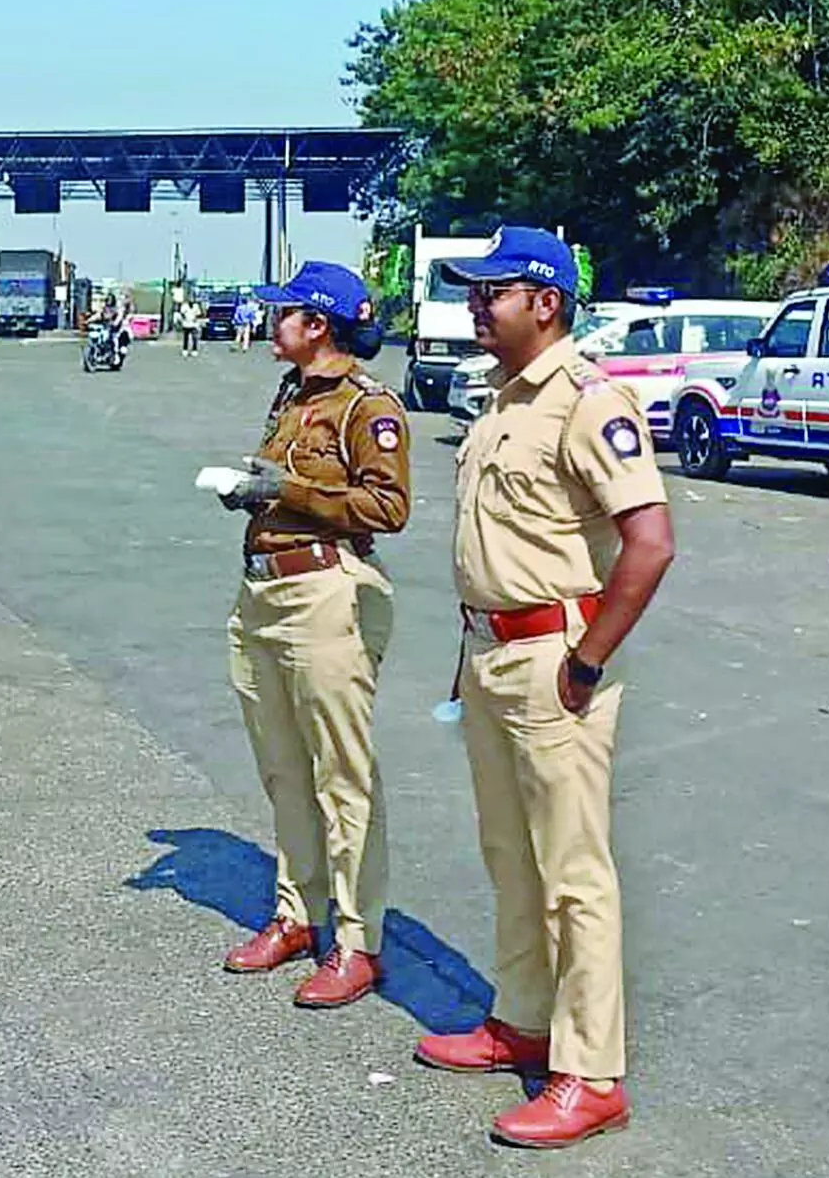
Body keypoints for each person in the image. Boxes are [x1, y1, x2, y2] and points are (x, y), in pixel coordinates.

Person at [417, 228, 675, 1149]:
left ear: (547, 301)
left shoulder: (584, 401)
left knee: (573, 873)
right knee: (509, 856)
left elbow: (648, 540)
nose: (477, 304)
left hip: (552, 659)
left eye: (495, 290)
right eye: (473, 290)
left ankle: (589, 1071)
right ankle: (519, 1018)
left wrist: (586, 660)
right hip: (489, 654)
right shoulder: (497, 403)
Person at [216, 261, 410, 1008]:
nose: (271, 322)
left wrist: (285, 490)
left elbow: (386, 506)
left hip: (325, 593)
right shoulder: (292, 393)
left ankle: (357, 940)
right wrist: (254, 497)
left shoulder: (369, 405)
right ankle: (297, 913)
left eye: (284, 312)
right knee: (282, 767)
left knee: (341, 775)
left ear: (317, 323)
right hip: (264, 587)